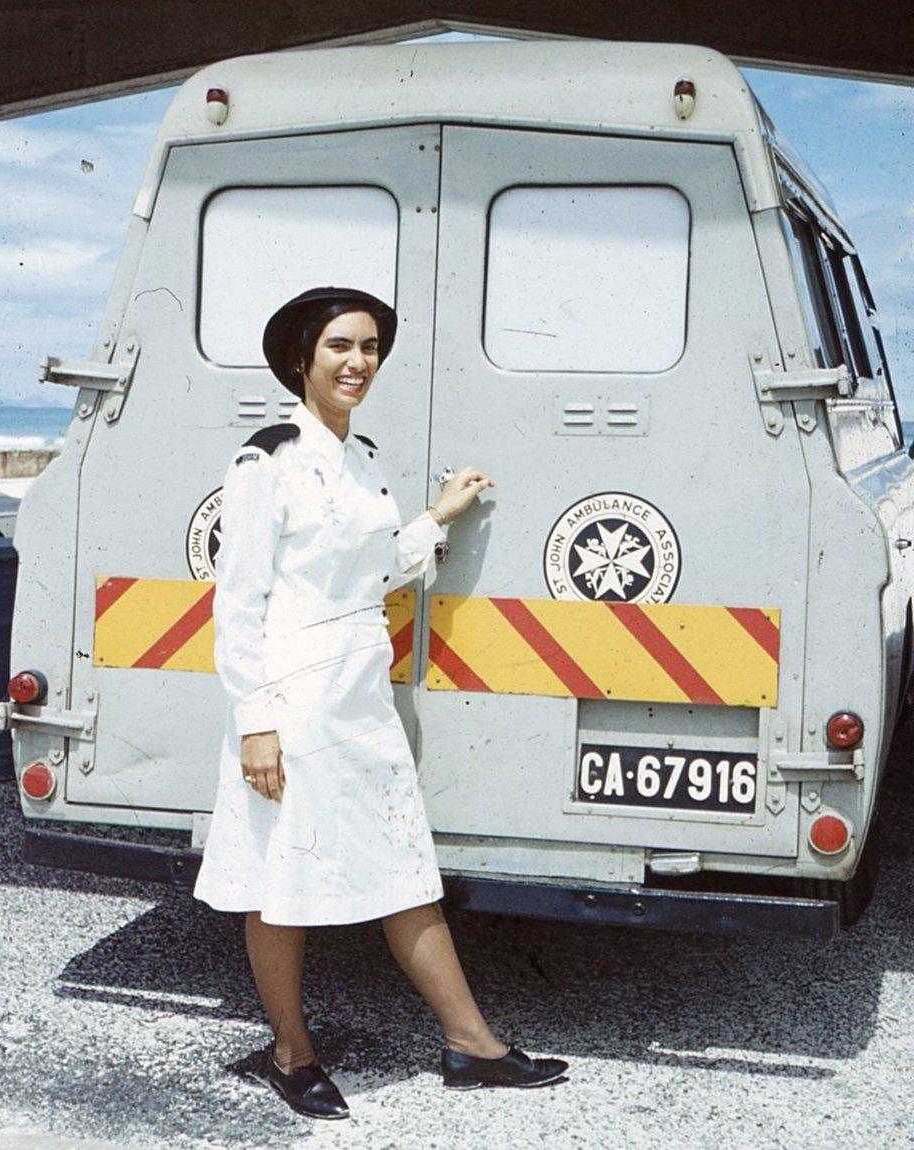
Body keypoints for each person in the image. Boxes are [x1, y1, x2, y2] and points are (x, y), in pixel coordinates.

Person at [193, 286, 568, 1119]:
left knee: (404, 867)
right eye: (339, 347)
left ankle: (473, 1045)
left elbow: (370, 571)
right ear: (302, 358)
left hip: (358, 694)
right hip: (289, 700)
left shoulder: (361, 460)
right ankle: (291, 1055)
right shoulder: (266, 461)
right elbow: (239, 601)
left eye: (368, 348)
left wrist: (437, 516)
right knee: (279, 880)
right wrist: (256, 722)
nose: (357, 362)